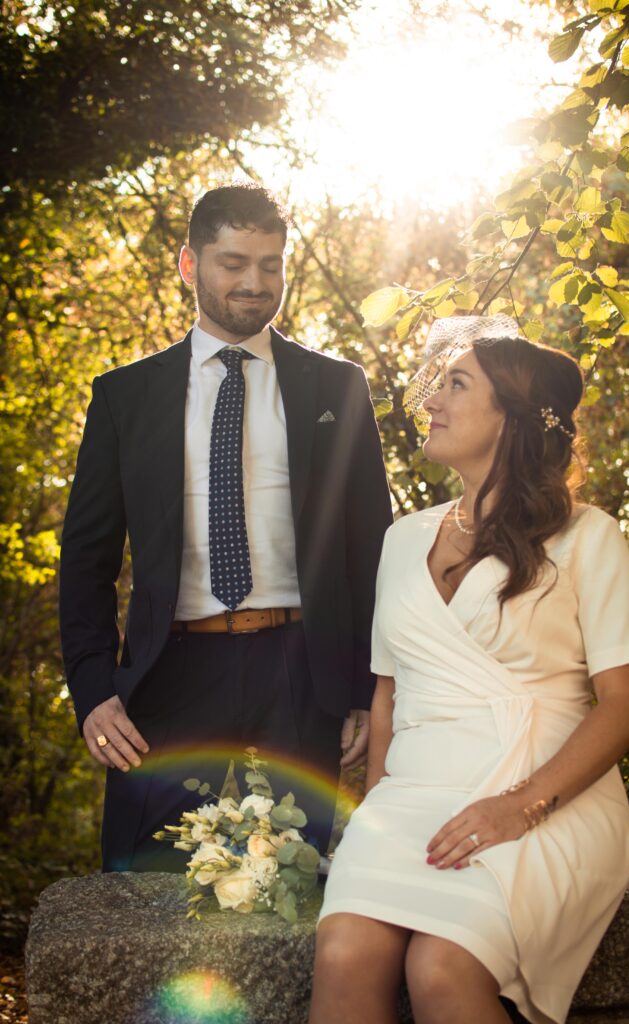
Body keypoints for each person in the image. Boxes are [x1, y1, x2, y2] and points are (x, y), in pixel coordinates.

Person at [310, 317, 629, 1024]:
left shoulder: (586, 535)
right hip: (409, 799)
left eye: (455, 384)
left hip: (543, 794)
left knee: (441, 963)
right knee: (345, 952)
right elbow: (388, 694)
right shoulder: (400, 539)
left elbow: (627, 704)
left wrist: (519, 805)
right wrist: (373, 815)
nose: (430, 400)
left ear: (512, 416)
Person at [59, 182, 393, 872]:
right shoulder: (124, 396)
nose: (254, 282)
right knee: (142, 876)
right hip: (172, 672)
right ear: (190, 265)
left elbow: (371, 546)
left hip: (303, 670)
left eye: (270, 264)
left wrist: (366, 685)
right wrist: (93, 693)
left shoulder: (337, 387)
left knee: (299, 881)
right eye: (233, 262)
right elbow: (86, 559)